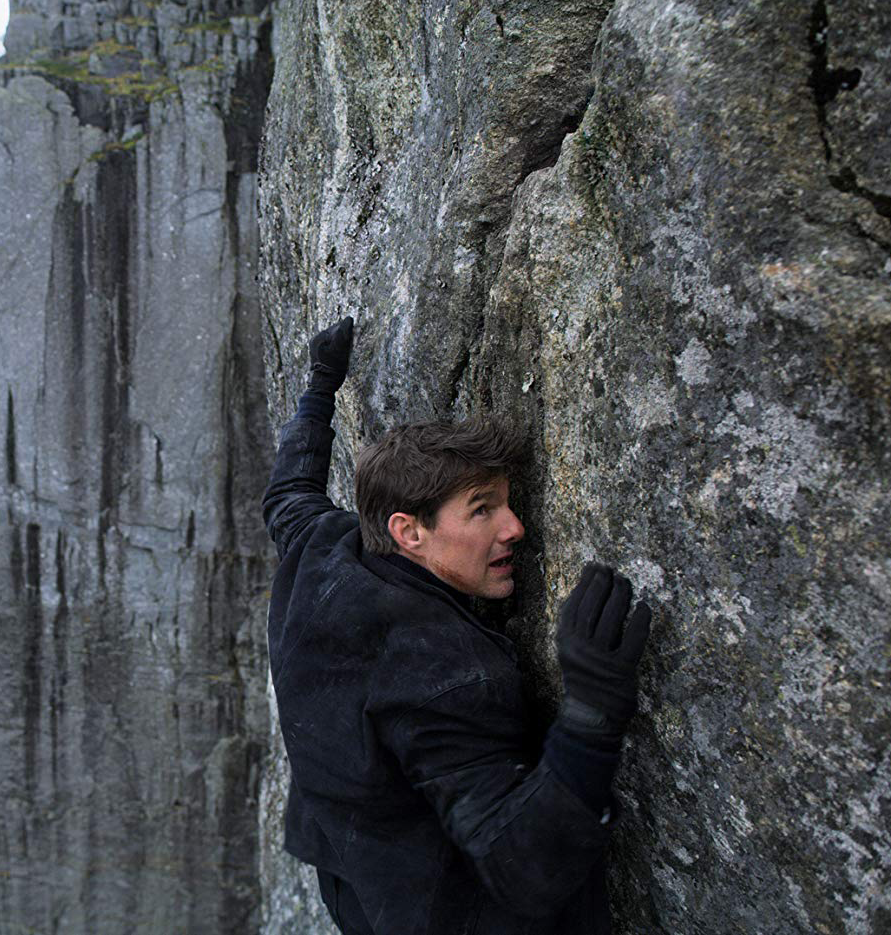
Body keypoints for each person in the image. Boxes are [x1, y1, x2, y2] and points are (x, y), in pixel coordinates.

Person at [263, 317, 652, 934]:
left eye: (507, 503)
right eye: (481, 510)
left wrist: (320, 386)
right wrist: (592, 714)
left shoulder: (323, 549)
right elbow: (523, 865)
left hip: (351, 877)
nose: (515, 527)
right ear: (408, 531)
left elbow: (287, 494)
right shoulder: (444, 674)